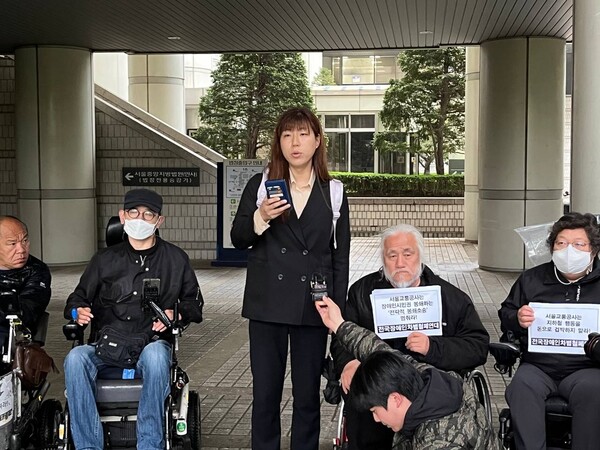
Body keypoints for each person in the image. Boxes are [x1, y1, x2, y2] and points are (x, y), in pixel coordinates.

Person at [231, 107, 351, 450]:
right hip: (267, 304)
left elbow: (339, 257)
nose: (294, 143)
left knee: (307, 396)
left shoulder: (334, 191)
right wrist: (260, 217)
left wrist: (337, 314)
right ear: (278, 142)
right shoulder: (261, 185)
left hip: (313, 304)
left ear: (317, 141)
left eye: (302, 134)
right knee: (265, 394)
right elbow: (238, 237)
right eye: (287, 135)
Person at [63, 188, 204, 450]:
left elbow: (195, 304)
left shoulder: (176, 259)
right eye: (133, 212)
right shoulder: (104, 260)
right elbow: (76, 298)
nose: (140, 219)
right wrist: (76, 311)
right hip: (106, 346)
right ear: (122, 216)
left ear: (159, 221)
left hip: (151, 343)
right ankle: (88, 445)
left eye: (148, 214)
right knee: (75, 358)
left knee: (156, 356)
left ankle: (150, 444)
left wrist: (176, 313)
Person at [331, 224, 489, 450]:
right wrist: (348, 362)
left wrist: (432, 347)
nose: (400, 263)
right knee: (361, 394)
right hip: (378, 386)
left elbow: (477, 347)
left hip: (430, 390)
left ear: (420, 257)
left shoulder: (451, 298)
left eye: (407, 254)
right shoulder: (362, 292)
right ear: (383, 260)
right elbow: (342, 337)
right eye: (392, 255)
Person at [316, 296, 496, 450]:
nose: (376, 419)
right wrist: (338, 324)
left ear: (396, 399)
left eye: (375, 411)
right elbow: (378, 350)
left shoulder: (438, 442)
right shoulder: (424, 378)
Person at [499, 212, 600, 450]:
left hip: (586, 367)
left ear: (594, 250)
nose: (569, 251)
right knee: (521, 386)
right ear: (552, 247)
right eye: (561, 243)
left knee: (595, 389)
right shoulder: (532, 279)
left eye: (578, 244)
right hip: (538, 366)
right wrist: (517, 318)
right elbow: (506, 313)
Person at [0, 215, 51, 349]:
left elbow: (28, 310)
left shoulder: (36, 270)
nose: (22, 250)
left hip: (11, 335)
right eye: (12, 244)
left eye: (25, 241)